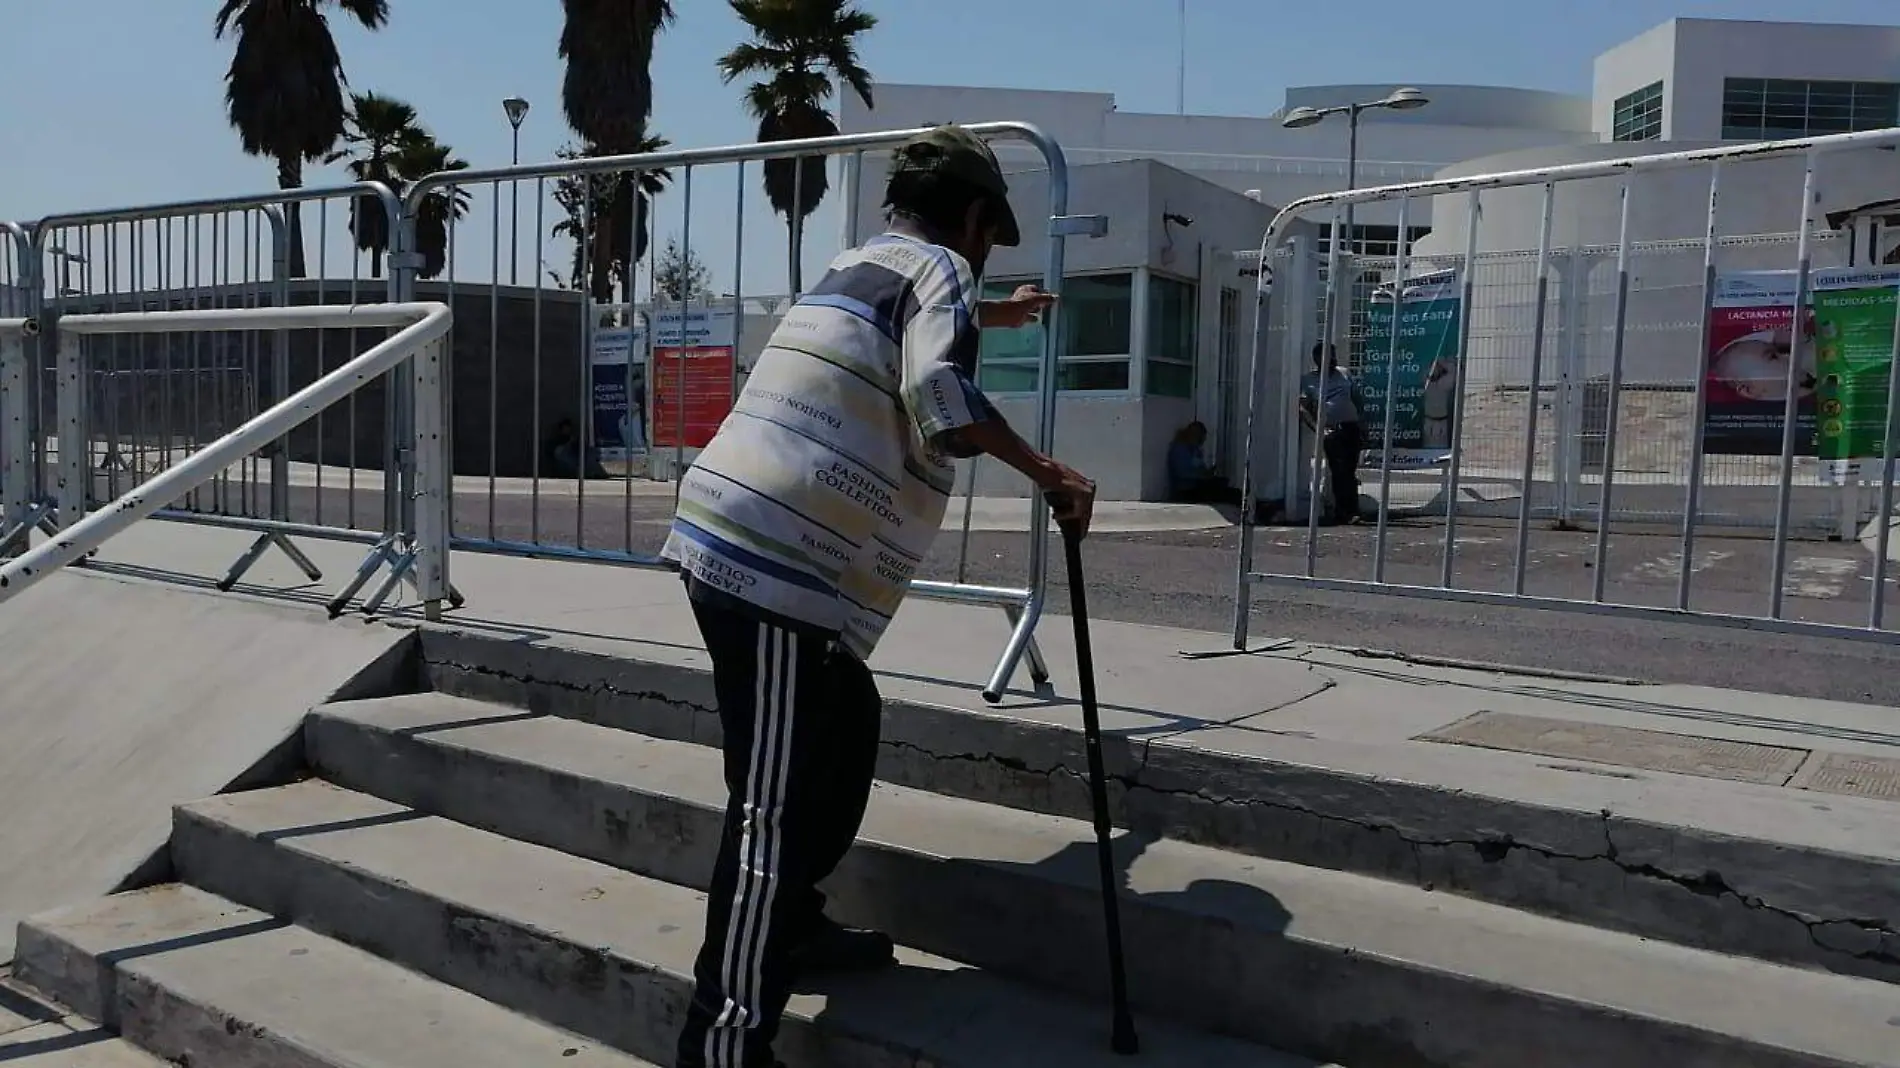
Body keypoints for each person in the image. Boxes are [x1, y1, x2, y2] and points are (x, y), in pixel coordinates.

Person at [659, 124, 1097, 1068]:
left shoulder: (860, 262)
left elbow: (911, 329)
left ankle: (795, 924)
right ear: (974, 220)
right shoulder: (943, 271)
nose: (984, 256)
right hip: (776, 565)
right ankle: (723, 1045)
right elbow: (940, 391)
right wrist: (1048, 470)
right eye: (990, 235)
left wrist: (1002, 315)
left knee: (844, 717)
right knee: (768, 811)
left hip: (732, 535)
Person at [1299, 342, 1366, 523]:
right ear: (1317, 359)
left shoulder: (1344, 373)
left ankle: (1352, 509)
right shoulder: (1309, 380)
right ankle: (1345, 512)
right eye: (1327, 355)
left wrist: (1362, 422)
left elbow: (1356, 398)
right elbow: (1303, 409)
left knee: (1350, 471)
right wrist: (1319, 429)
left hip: (1351, 427)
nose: (1332, 359)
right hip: (1332, 430)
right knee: (1339, 470)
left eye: (1333, 355)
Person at [1166, 421, 1239, 504]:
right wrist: (1202, 475)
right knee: (1228, 494)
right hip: (1185, 491)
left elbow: (1201, 467)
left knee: (1226, 487)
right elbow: (1182, 473)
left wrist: (1208, 472)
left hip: (1197, 486)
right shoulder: (1179, 449)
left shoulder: (1195, 450)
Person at [1421, 356, 1457, 450]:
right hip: (1429, 421)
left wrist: (1441, 362)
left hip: (1441, 422)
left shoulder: (1443, 384)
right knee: (1428, 447)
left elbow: (1454, 372)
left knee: (1440, 448)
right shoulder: (1427, 381)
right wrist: (1441, 362)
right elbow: (1452, 371)